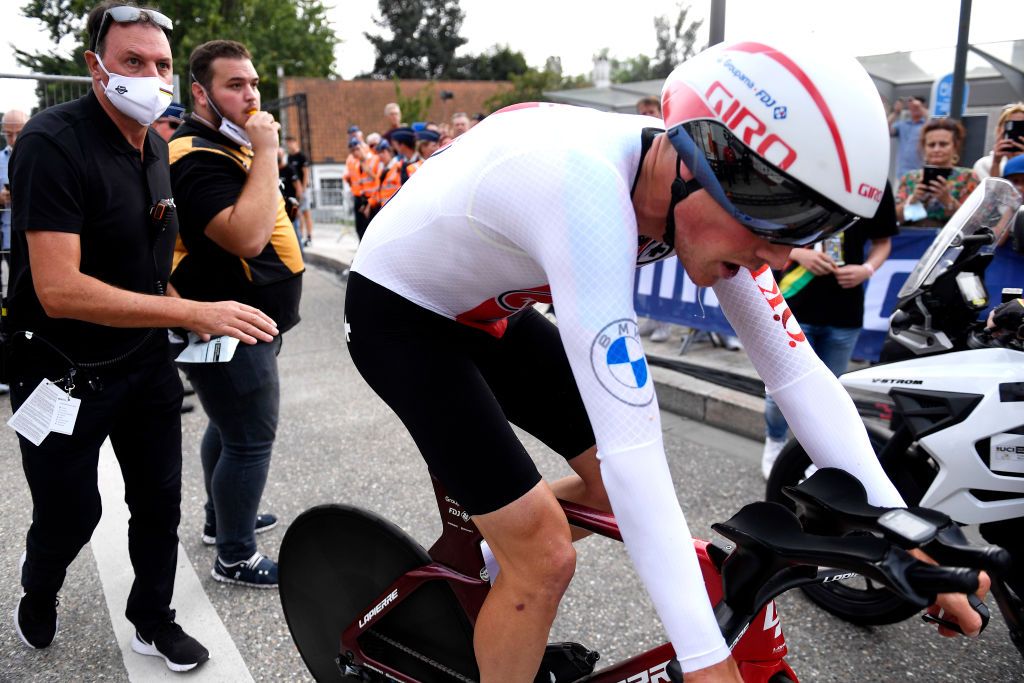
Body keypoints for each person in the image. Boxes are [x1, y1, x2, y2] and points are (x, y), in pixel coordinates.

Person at [344, 40, 986, 682]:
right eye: (775, 223)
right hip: (402, 313)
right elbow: (634, 447)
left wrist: (905, 539)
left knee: (596, 502)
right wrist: (706, 659)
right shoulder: (584, 189)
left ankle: (486, 555)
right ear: (697, 164)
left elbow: (798, 377)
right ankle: (515, 556)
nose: (782, 257)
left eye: (804, 230)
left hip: (492, 309)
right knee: (544, 558)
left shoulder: (697, 192)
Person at [6, 2, 277, 671]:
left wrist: (188, 312)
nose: (150, 76)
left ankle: (154, 619)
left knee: (158, 501)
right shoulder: (51, 141)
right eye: (133, 61)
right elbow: (58, 288)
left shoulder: (155, 143)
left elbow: (150, 267)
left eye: (159, 63)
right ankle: (39, 586)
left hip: (143, 361)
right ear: (95, 67)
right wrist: (194, 314)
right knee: (71, 514)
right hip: (60, 370)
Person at [168, 39, 304, 589]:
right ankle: (236, 554)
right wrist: (267, 146)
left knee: (228, 428)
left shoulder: (222, 143)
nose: (251, 96)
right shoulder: (196, 154)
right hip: (229, 323)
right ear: (201, 93)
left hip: (249, 320)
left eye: (253, 84)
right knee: (248, 437)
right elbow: (247, 237)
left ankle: (220, 521)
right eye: (234, 85)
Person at [761, 182, 898, 478]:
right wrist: (798, 253)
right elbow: (766, 227)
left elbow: (882, 241)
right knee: (780, 390)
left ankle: (812, 454)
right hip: (794, 304)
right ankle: (774, 441)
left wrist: (867, 269)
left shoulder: (875, 182)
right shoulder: (801, 168)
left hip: (845, 310)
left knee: (828, 391)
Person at [895, 117, 979, 228]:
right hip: (914, 240)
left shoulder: (968, 177)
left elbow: (974, 222)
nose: (936, 149)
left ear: (954, 147)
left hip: (951, 242)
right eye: (931, 145)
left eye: (943, 144)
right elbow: (892, 220)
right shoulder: (910, 178)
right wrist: (913, 199)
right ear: (924, 147)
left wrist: (948, 201)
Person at [973, 102, 1024, 181]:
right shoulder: (984, 165)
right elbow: (992, 192)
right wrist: (996, 164)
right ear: (999, 130)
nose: (1016, 133)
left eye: (1021, 128)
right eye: (1011, 127)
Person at [344, 137, 381, 240]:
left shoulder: (374, 159)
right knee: (360, 228)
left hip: (373, 199)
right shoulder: (354, 163)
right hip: (361, 198)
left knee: (371, 229)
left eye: (357, 149)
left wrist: (368, 171)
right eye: (352, 151)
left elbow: (378, 180)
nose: (356, 153)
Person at [888, 95, 928, 180]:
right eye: (912, 107)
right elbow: (885, 129)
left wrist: (919, 106)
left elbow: (933, 125)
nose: (914, 108)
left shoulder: (926, 125)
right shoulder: (902, 124)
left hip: (920, 173)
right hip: (902, 173)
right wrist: (895, 112)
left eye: (917, 107)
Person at [285, 135, 313, 246]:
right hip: (295, 190)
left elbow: (306, 172)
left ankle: (309, 236)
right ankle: (300, 235)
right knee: (298, 213)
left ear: (294, 142)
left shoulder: (301, 156)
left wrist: (304, 188)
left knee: (306, 212)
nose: (288, 145)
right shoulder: (289, 157)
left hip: (303, 189)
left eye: (290, 143)